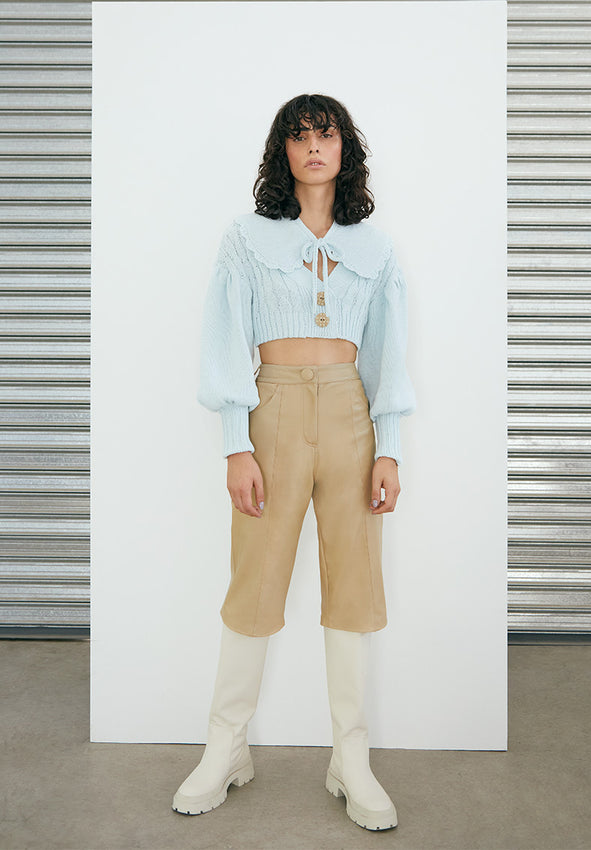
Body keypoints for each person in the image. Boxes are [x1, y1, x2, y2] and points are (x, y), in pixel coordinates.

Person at [172, 93, 416, 832]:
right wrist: (235, 442)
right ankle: (226, 747)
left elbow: (388, 354)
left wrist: (389, 448)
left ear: (345, 150)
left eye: (326, 134)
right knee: (254, 582)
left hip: (350, 416)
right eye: (300, 134)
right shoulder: (245, 239)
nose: (314, 146)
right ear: (282, 150)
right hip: (271, 408)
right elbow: (225, 341)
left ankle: (351, 758)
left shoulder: (375, 249)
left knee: (354, 588)